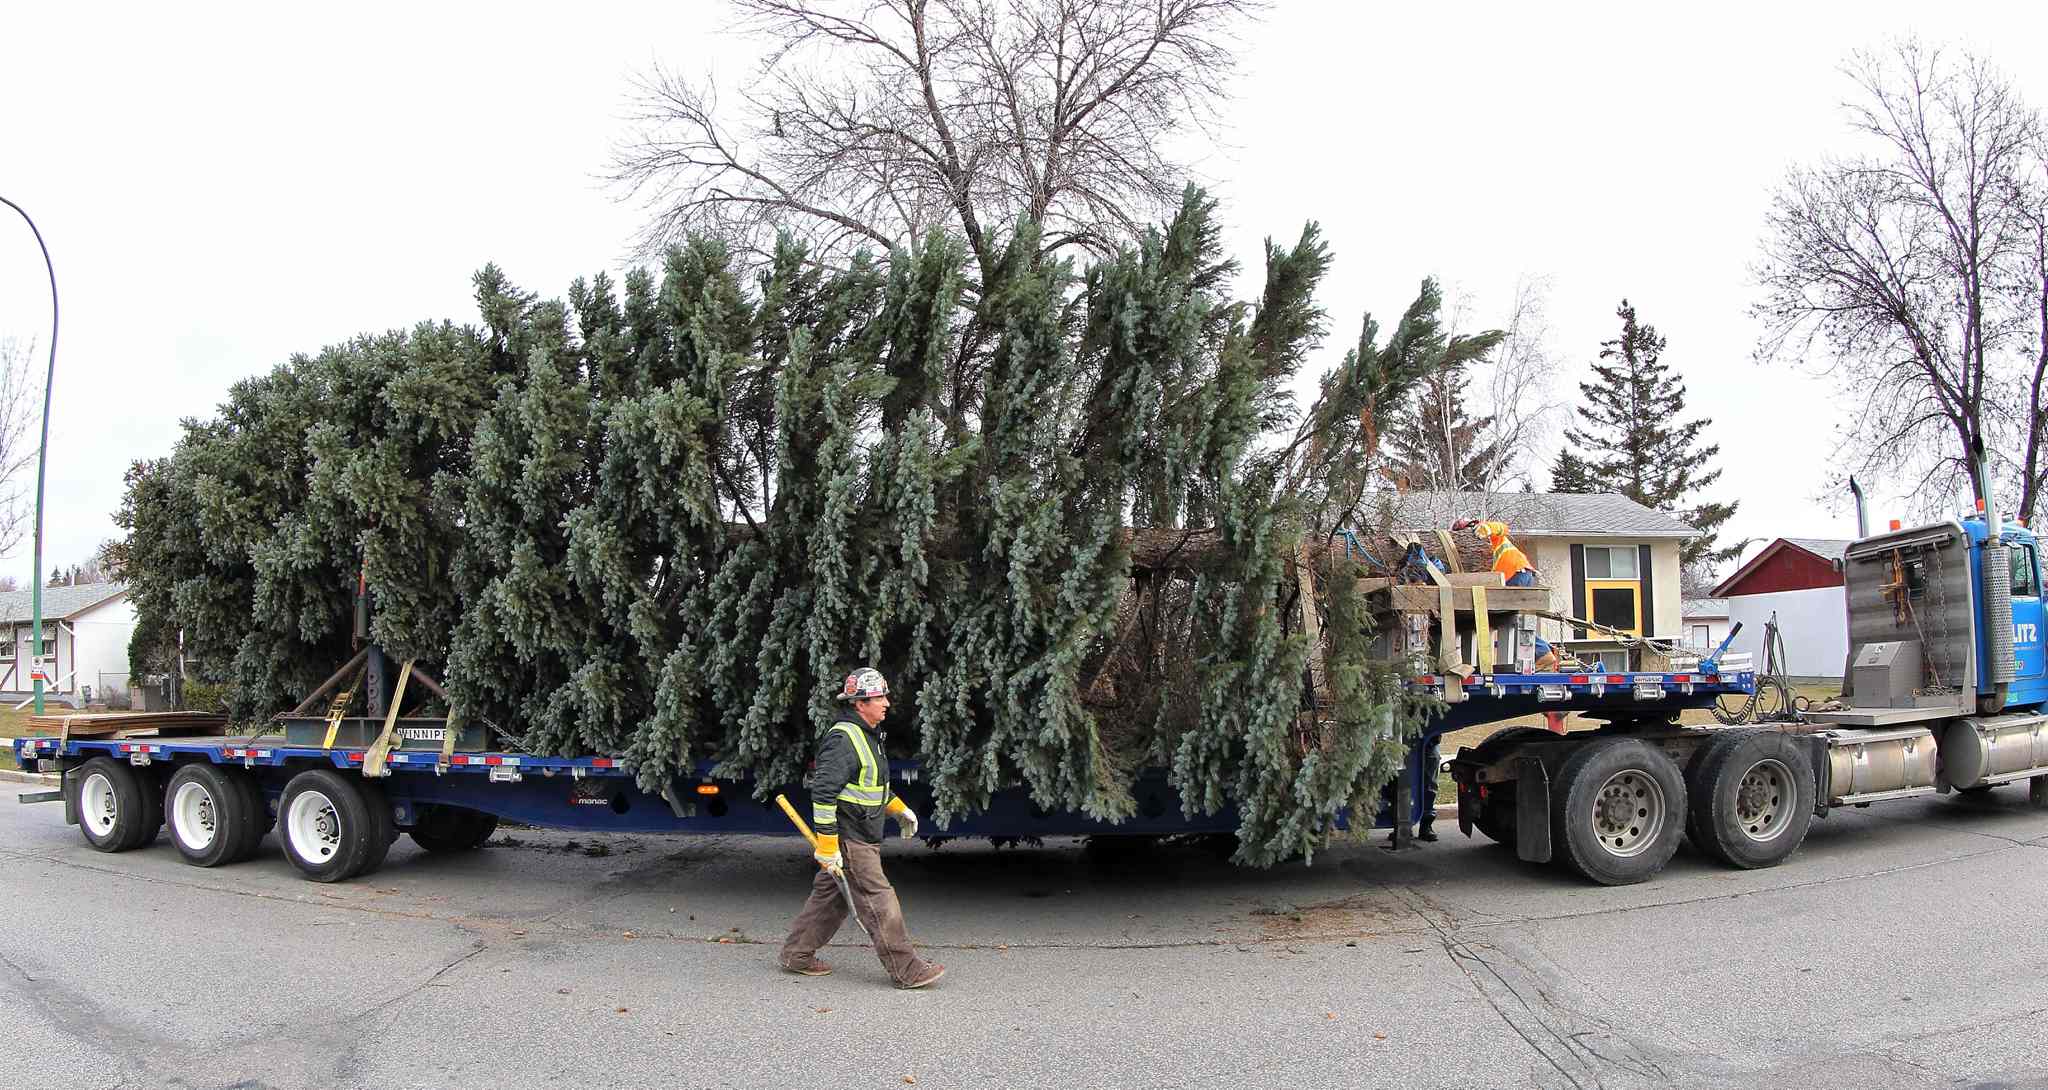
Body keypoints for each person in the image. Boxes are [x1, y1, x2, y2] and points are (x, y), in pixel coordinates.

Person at [777, 667, 946, 989]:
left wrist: (899, 809)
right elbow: (823, 795)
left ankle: (797, 954)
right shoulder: (844, 739)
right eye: (879, 697)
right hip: (850, 837)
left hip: (861, 834)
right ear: (859, 703)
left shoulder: (869, 735)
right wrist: (828, 847)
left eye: (885, 695)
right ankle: (907, 970)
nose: (886, 702)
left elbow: (871, 785)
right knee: (879, 899)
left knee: (831, 898)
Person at [1453, 518, 1538, 586]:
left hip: (1516, 572)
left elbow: (1503, 528)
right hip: (1512, 576)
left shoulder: (1490, 534)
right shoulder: (1468, 554)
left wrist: (1488, 528)